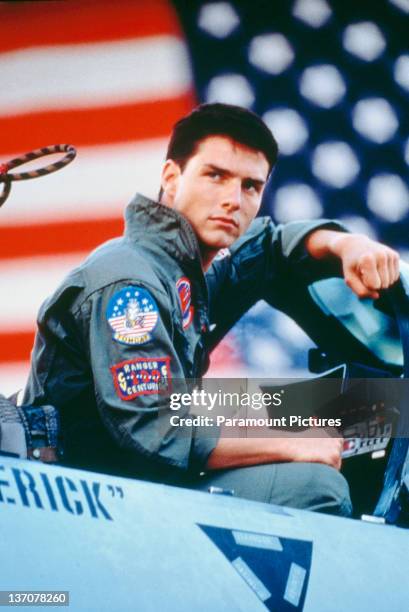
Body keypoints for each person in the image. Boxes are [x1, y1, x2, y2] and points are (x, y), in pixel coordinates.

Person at [23, 103, 400, 516]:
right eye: (215, 176)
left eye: (251, 186)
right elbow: (156, 429)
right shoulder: (131, 286)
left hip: (143, 468)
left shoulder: (186, 268)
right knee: (317, 484)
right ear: (171, 177)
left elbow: (269, 247)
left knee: (371, 409)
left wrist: (347, 245)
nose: (232, 200)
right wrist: (291, 441)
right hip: (97, 497)